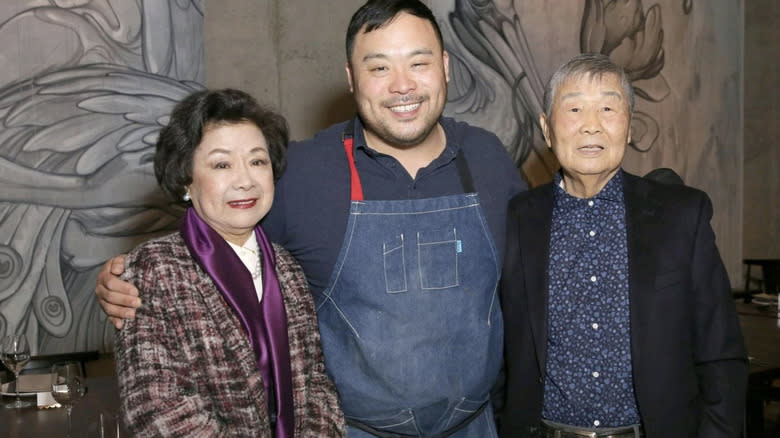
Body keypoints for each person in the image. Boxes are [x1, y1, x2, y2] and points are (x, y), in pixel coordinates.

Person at [97, 1, 526, 437]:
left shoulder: (488, 158)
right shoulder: (302, 173)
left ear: (446, 67)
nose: (403, 86)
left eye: (419, 62)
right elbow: (216, 249)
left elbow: (532, 290)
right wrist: (124, 279)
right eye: (379, 68)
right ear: (351, 78)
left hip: (476, 428)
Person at [500, 53, 748, 437]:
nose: (591, 126)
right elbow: (504, 350)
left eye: (608, 108)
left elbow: (721, 355)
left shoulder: (682, 215)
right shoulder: (520, 218)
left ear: (629, 126)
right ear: (547, 130)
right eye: (575, 108)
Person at [113, 89, 345, 437]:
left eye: (257, 161)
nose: (245, 180)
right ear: (186, 180)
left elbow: (316, 388)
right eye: (222, 164)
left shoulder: (288, 270)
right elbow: (157, 409)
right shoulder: (153, 270)